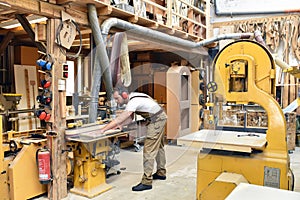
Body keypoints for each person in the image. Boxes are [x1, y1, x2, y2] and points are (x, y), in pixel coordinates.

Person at [99, 86, 167, 191]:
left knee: (149, 150)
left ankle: (147, 182)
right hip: (160, 117)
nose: (117, 101)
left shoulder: (133, 102)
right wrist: (121, 126)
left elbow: (120, 118)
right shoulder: (135, 96)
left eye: (117, 98)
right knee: (159, 146)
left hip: (156, 120)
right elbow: (130, 118)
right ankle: (161, 172)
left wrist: (103, 129)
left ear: (124, 95)